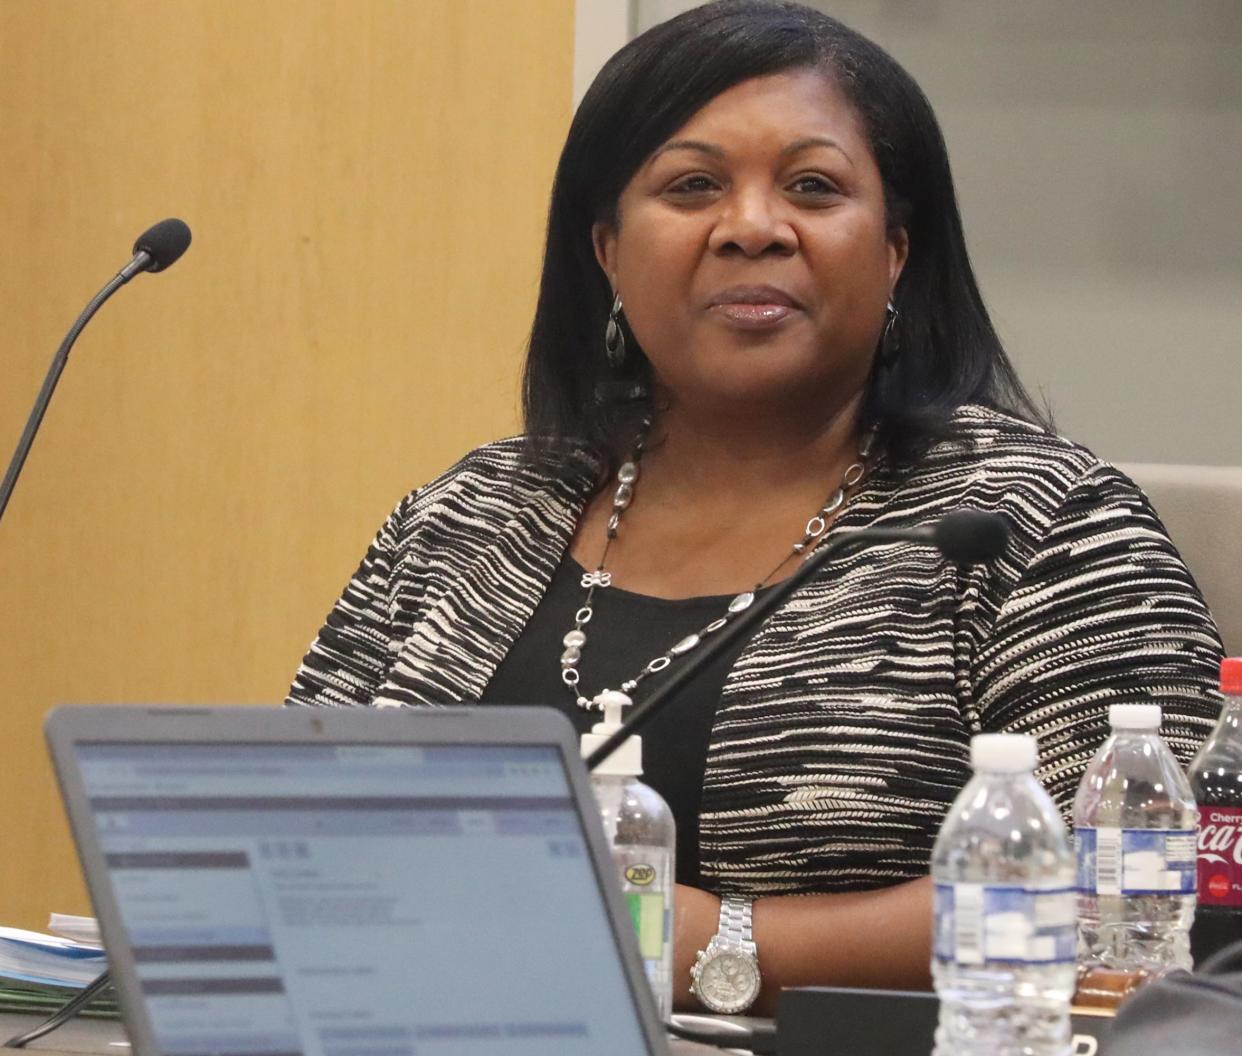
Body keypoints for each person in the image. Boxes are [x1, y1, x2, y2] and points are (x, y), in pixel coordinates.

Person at [285, 0, 1222, 1015]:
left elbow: (1133, 905)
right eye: (691, 187)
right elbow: (292, 831)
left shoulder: (1036, 524)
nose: (751, 228)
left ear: (896, 249)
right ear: (607, 251)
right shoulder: (472, 514)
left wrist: (715, 943)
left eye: (814, 188)